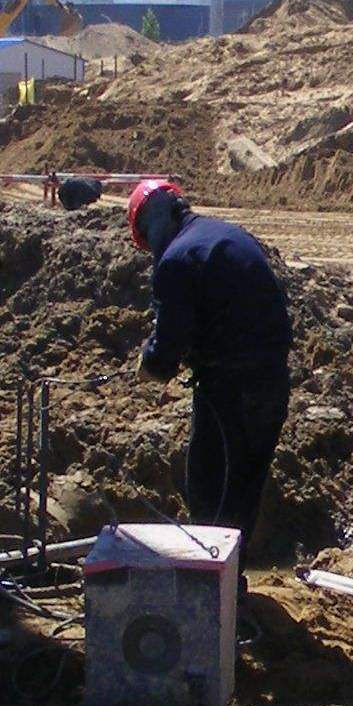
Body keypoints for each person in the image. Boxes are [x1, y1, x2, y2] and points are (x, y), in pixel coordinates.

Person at [126, 177, 293, 537]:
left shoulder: (175, 261)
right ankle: (234, 583)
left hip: (229, 389)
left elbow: (165, 352)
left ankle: (211, 583)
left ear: (148, 229)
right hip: (273, 381)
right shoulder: (227, 235)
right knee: (244, 489)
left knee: (207, 488)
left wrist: (149, 361)